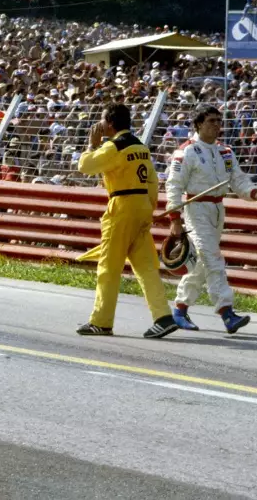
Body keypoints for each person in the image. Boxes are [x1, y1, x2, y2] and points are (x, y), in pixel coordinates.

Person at [74, 103, 179, 339]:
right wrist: (148, 209)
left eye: (102, 120)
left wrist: (91, 144)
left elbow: (85, 166)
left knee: (108, 267)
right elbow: (153, 182)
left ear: (109, 123)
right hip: (142, 206)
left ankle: (101, 322)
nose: (100, 125)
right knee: (145, 267)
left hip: (121, 207)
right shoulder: (141, 147)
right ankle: (163, 317)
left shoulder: (114, 146)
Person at [165, 104, 257, 334]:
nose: (217, 125)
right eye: (212, 120)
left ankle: (179, 310)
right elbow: (173, 186)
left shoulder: (226, 152)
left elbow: (238, 180)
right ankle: (227, 313)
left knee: (202, 262)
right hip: (195, 209)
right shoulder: (186, 151)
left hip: (217, 209)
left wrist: (255, 193)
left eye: (219, 121)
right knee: (213, 259)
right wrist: (175, 218)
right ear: (199, 124)